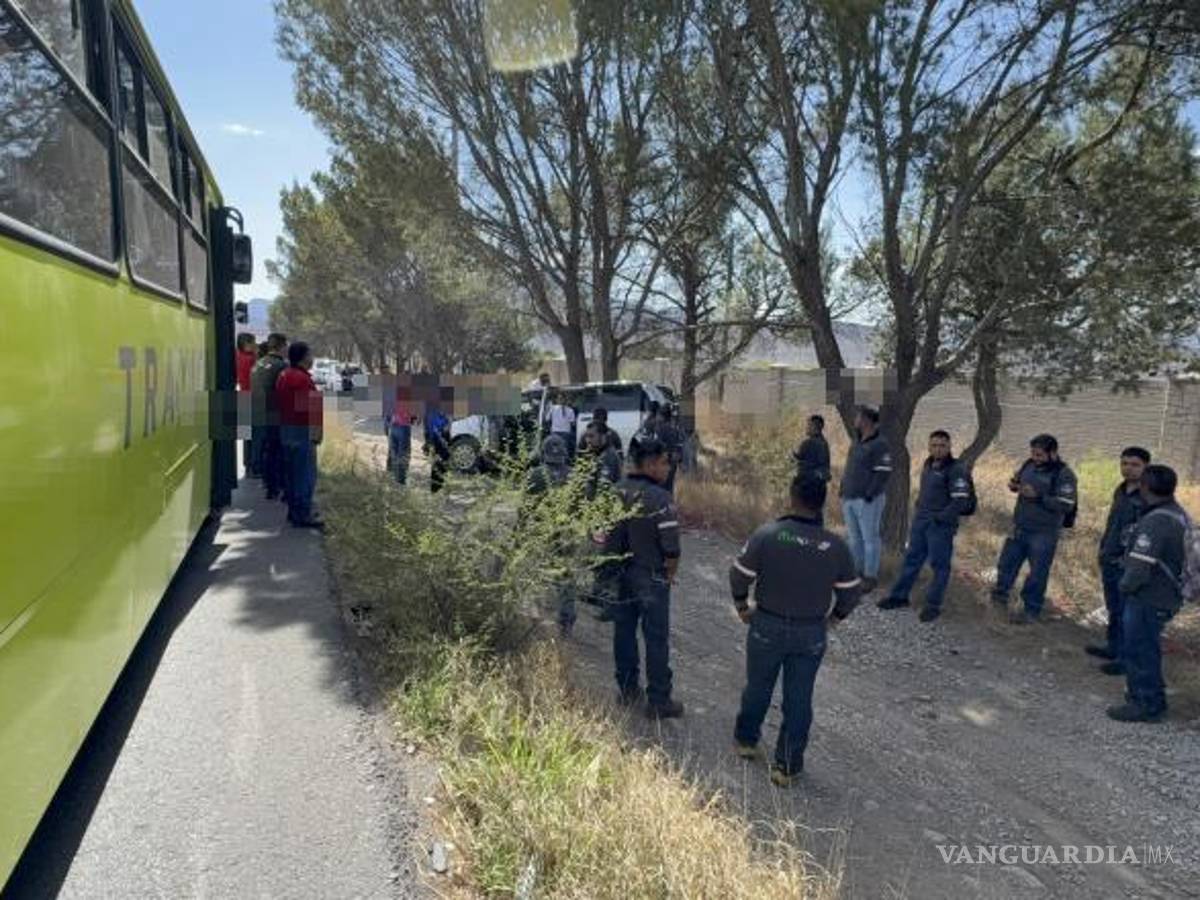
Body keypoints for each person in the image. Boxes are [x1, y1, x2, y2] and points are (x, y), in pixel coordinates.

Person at [730, 473, 862, 786]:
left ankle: (747, 741)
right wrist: (834, 620)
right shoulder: (836, 546)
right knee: (799, 698)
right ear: (822, 502)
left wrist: (741, 607)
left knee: (758, 686)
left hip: (767, 625)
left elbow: (739, 576)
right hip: (810, 633)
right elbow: (851, 593)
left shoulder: (769, 534)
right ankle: (787, 767)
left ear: (792, 497)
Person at [605, 437, 684, 718]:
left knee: (624, 632)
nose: (667, 468)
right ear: (650, 465)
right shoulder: (661, 498)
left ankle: (627, 690)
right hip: (652, 578)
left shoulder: (616, 491)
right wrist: (670, 574)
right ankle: (658, 700)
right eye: (664, 462)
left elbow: (604, 536)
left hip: (622, 573)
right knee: (656, 639)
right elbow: (672, 547)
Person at [1107, 464, 1189, 723]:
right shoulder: (1177, 514)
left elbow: (1139, 568)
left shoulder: (1156, 522)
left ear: (1145, 487)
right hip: (1165, 595)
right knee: (1146, 647)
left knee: (1140, 649)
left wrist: (1124, 587)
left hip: (1148, 596)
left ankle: (1145, 703)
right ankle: (1150, 699)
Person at [876, 431, 974, 623]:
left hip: (940, 525)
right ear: (929, 446)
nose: (938, 449)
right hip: (921, 519)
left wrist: (940, 518)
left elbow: (960, 501)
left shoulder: (956, 469)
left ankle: (933, 605)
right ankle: (899, 597)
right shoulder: (929, 464)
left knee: (939, 566)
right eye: (934, 445)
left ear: (949, 447)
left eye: (942, 445)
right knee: (912, 559)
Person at [991, 434, 1078, 624]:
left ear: (1053, 453)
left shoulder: (1064, 474)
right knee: (1006, 566)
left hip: (1043, 533)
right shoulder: (1028, 465)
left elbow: (1066, 505)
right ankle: (997, 604)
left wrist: (1038, 496)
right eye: (1033, 453)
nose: (1035, 458)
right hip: (1020, 527)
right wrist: (1014, 485)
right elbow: (1018, 481)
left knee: (1037, 574)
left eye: (1039, 455)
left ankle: (1030, 612)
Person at [1087, 447, 1151, 670]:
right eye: (1124, 463)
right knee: (1114, 607)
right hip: (1110, 557)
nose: (1128, 468)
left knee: (1129, 613)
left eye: (1135, 464)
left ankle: (1126, 659)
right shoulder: (1121, 490)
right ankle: (1113, 648)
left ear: (1146, 467)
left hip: (1129, 563)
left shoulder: (1148, 496)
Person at [525, 434, 576, 634]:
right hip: (568, 533)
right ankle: (566, 619)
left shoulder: (535, 474)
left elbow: (525, 509)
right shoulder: (574, 476)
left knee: (538, 572)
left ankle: (538, 617)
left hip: (542, 532)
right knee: (566, 575)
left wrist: (519, 533)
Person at [839, 406, 893, 593]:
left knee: (870, 539)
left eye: (858, 416)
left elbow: (883, 472)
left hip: (867, 500)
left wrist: (870, 494)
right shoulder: (857, 441)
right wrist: (843, 489)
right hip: (849, 497)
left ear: (867, 420)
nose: (855, 419)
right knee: (854, 539)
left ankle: (870, 576)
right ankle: (856, 573)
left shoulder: (880, 444)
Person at [275, 342, 324, 528]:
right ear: (303, 358)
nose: (312, 359)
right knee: (305, 474)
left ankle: (294, 511)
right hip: (302, 431)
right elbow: (311, 410)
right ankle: (303, 514)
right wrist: (317, 433)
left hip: (286, 429)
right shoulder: (302, 380)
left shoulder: (284, 375)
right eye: (310, 355)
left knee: (292, 474)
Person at [251, 333, 289, 501]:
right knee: (278, 452)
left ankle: (268, 484)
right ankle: (276, 486)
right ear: (282, 346)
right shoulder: (281, 366)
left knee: (266, 450)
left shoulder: (257, 364)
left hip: (258, 413)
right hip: (275, 414)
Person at [386, 376, 416, 486]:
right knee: (403, 454)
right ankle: (401, 481)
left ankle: (394, 478)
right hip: (404, 427)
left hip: (393, 427)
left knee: (394, 453)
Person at [580, 421, 623, 498]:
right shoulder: (596, 453)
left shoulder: (608, 456)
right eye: (587, 436)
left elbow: (604, 487)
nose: (588, 440)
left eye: (591, 436)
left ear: (603, 436)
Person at [236, 333, 258, 477]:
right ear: (247, 344)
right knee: (255, 435)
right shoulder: (251, 359)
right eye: (253, 343)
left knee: (246, 436)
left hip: (242, 397)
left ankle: (247, 466)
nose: (255, 345)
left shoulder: (236, 356)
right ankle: (254, 466)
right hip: (253, 398)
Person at [793, 415, 832, 483]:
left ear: (813, 427)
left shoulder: (808, 443)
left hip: (807, 485)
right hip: (819, 486)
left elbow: (798, 461)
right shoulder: (824, 443)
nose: (806, 427)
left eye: (808, 425)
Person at [425, 399, 452, 494]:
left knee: (437, 463)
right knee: (441, 462)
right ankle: (438, 488)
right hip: (439, 436)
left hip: (434, 436)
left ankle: (436, 488)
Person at [656, 407, 684, 495]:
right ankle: (670, 505)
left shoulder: (660, 429)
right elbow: (680, 445)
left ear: (662, 416)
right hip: (673, 461)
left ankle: (663, 506)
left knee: (661, 486)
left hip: (664, 461)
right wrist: (679, 460)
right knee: (670, 486)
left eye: (659, 415)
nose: (657, 417)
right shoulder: (675, 429)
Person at [548, 391, 577, 459]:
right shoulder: (570, 410)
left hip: (555, 432)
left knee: (556, 449)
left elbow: (547, 419)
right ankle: (565, 463)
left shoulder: (552, 408)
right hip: (565, 432)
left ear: (558, 400)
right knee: (564, 449)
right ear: (566, 400)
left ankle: (557, 463)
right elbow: (573, 423)